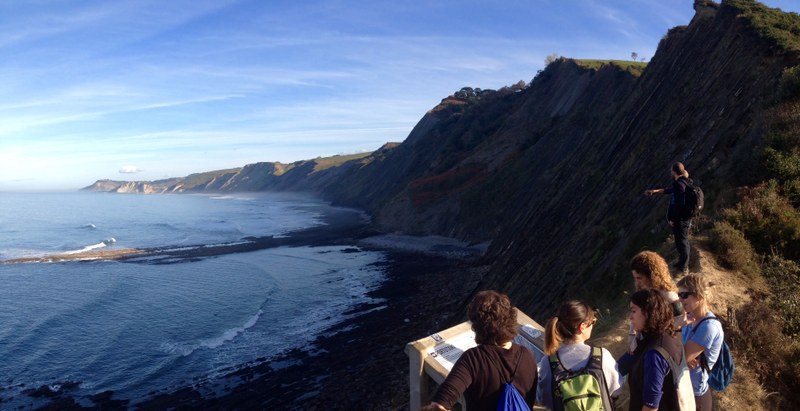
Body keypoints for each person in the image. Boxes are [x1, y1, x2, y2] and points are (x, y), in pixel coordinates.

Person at [424, 290, 537, 411]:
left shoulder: (473, 359)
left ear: (477, 325)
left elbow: (439, 405)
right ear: (510, 320)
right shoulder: (527, 355)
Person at [537, 300, 621, 410]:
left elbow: (543, 399)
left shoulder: (547, 362)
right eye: (593, 322)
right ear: (582, 326)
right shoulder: (602, 356)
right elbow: (616, 390)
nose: (593, 326)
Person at [619, 251, 685, 375]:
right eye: (635, 278)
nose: (637, 282)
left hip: (659, 349)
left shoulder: (670, 298)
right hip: (641, 344)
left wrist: (682, 354)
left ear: (652, 275)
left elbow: (680, 326)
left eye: (639, 278)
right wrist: (631, 340)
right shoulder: (644, 293)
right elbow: (634, 318)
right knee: (617, 370)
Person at [628, 288, 689, 411]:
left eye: (634, 311)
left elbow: (651, 406)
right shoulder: (671, 337)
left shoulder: (655, 354)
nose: (630, 317)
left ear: (648, 313)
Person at [678, 274, 724, 411]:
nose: (680, 299)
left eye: (684, 295)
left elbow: (679, 358)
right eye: (679, 295)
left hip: (694, 396)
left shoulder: (709, 327)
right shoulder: (689, 317)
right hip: (682, 387)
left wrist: (683, 356)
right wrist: (683, 356)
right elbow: (679, 355)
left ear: (699, 296)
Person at [644, 162, 694, 274]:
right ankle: (682, 262)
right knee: (682, 240)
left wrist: (674, 219)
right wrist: (655, 191)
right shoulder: (684, 181)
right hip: (684, 218)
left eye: (671, 171)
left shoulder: (679, 184)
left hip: (680, 219)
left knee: (682, 242)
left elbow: (679, 205)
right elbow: (669, 190)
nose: (670, 172)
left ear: (674, 172)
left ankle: (683, 267)